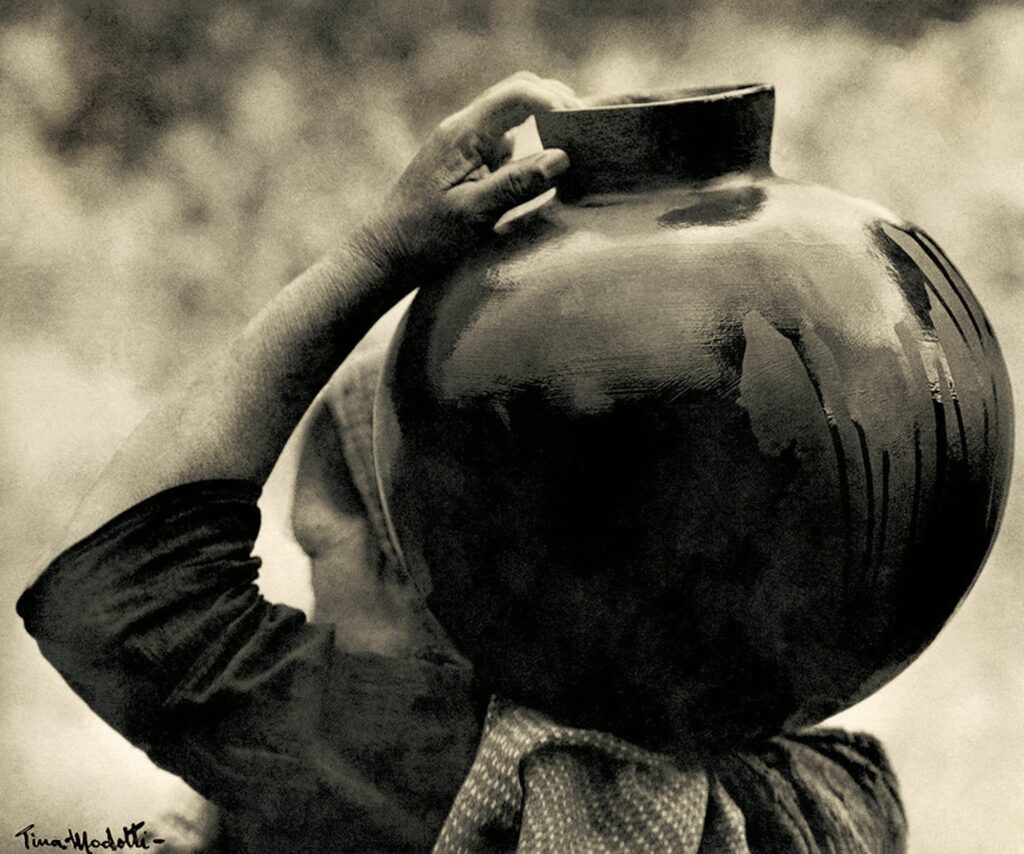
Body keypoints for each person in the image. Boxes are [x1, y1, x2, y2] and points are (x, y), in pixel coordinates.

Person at [18, 73, 907, 853]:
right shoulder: (830, 784)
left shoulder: (454, 786)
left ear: (446, 580)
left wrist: (378, 255)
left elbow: (111, 598)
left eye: (329, 545)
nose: (305, 600)